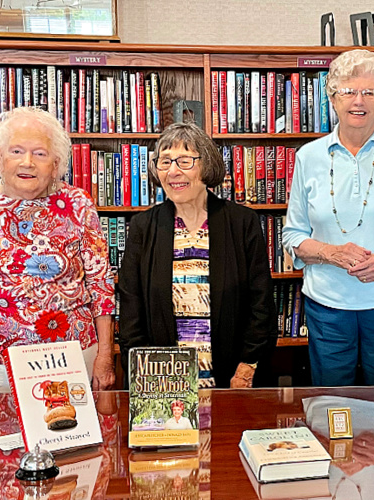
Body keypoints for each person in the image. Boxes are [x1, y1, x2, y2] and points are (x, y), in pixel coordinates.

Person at [0, 107, 116, 393]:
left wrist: (104, 357)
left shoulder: (78, 204)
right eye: (16, 151)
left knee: (69, 435)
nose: (27, 162)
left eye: (40, 153)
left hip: (70, 360)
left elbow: (101, 286)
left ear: (56, 163)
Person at [282, 49, 374, 386]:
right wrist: (331, 253)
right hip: (328, 307)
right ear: (333, 98)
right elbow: (292, 235)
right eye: (349, 91)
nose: (358, 100)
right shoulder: (309, 156)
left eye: (370, 92)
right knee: (333, 403)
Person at [118, 122, 276, 389]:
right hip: (163, 384)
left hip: (233, 379)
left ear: (207, 166)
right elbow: (131, 308)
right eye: (165, 162)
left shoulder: (242, 223)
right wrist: (146, 375)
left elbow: (261, 303)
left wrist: (247, 367)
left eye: (185, 161)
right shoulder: (143, 227)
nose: (173, 171)